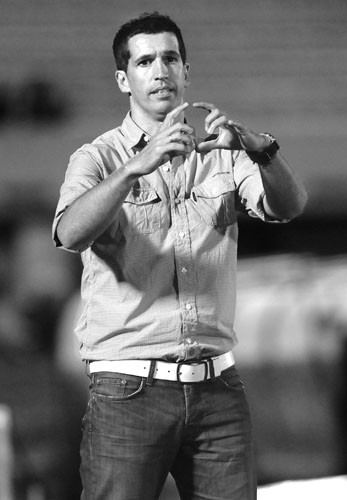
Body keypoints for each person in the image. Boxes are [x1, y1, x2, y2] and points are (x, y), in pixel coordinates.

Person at [52, 11, 307, 500]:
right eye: (145, 61)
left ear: (187, 70)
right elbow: (69, 232)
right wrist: (136, 167)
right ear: (124, 80)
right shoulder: (97, 158)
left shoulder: (223, 152)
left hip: (218, 387)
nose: (161, 70)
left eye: (170, 58)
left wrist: (262, 151)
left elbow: (290, 206)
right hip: (128, 388)